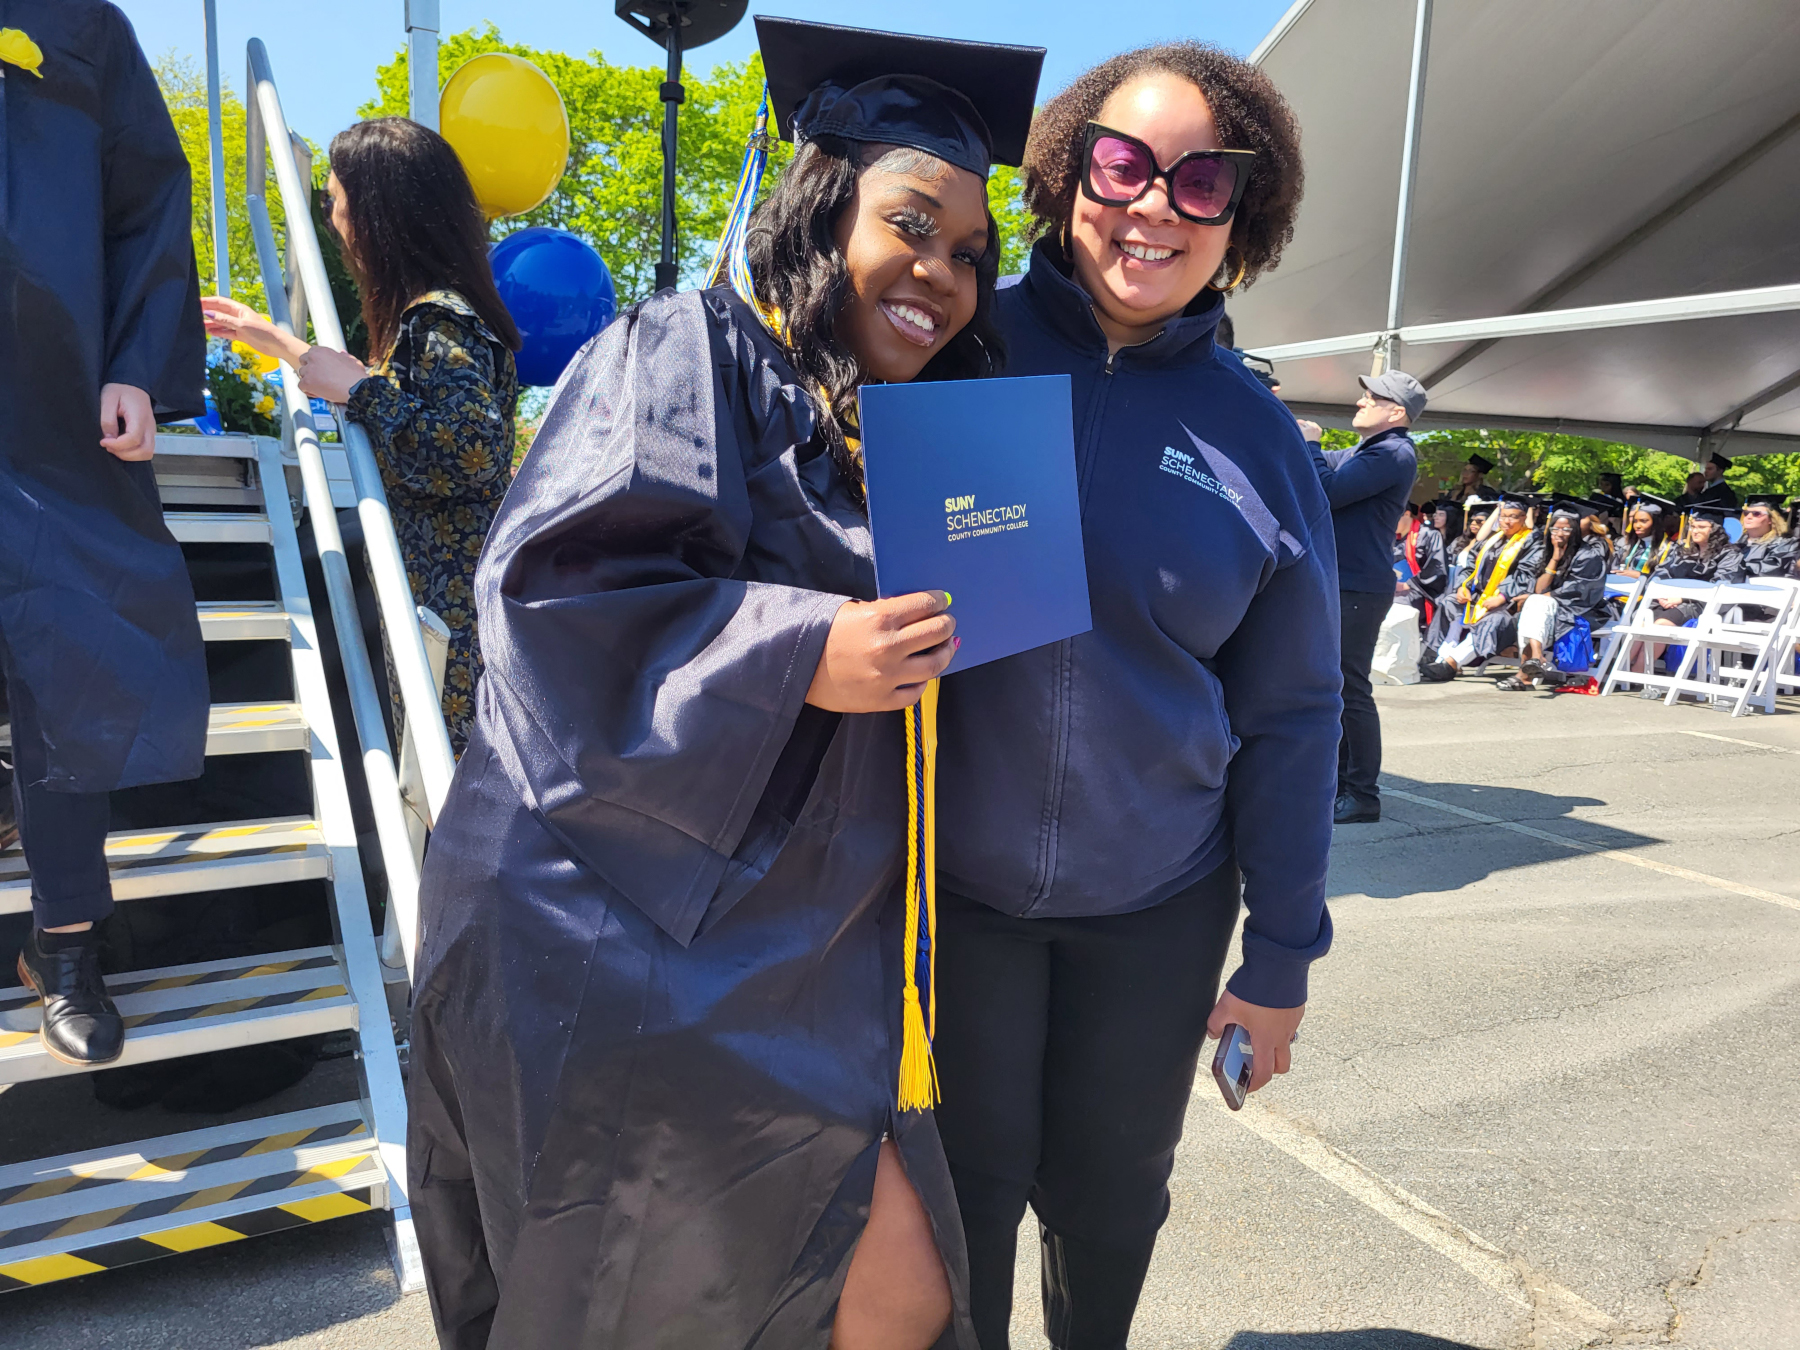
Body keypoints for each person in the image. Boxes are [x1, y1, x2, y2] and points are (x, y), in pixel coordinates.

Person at [401, 21, 1045, 1349]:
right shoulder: (689, 346)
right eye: (911, 225)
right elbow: (561, 594)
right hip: (619, 924)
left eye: (973, 254)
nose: (943, 273)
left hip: (803, 936)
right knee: (654, 1284)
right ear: (822, 208)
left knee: (885, 1284)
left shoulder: (908, 425)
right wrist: (808, 647)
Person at [927, 45, 1338, 1350]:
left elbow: (1294, 716)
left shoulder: (1260, 442)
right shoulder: (955, 350)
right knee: (963, 1200)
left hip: (1156, 907)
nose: (1153, 205)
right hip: (959, 895)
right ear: (1065, 175)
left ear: (1241, 217)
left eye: (1200, 181)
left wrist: (1277, 962)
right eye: (1123, 164)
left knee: (1110, 1203)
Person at [3, 0, 208, 1066]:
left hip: (57, 397)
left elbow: (146, 194)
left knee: (69, 664)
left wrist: (136, 364)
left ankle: (66, 944)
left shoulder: (81, 22)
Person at [201, 119, 521, 755]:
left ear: (377, 213)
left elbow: (469, 452)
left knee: (448, 774)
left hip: (451, 611)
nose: (331, 217)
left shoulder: (436, 318)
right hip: (454, 602)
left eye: (334, 200)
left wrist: (363, 391)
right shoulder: (445, 313)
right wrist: (271, 338)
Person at [1301, 370, 1422, 824]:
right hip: (1344, 581)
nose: (1360, 402)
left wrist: (1311, 445)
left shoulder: (1393, 452)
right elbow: (1321, 465)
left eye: (1372, 398)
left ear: (1396, 412)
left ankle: (1362, 794)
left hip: (1356, 584)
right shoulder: (1369, 451)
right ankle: (1339, 785)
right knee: (1335, 685)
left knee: (1349, 688)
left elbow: (1326, 490)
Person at [1420, 494, 1546, 681]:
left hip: (1510, 605)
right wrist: (1463, 587)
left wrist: (1502, 597)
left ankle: (1453, 662)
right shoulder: (1492, 539)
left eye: (1513, 517)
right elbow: (1470, 565)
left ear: (1523, 518)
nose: (1506, 521)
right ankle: (1440, 657)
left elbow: (1526, 574)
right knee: (1451, 602)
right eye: (1503, 516)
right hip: (1479, 596)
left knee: (1492, 620)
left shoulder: (1532, 541)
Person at [1504, 503, 1611, 690]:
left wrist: (1544, 598)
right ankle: (1534, 660)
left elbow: (1580, 589)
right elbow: (1539, 588)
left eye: (1566, 529)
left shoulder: (1588, 555)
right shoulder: (1546, 552)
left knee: (1535, 605)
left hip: (1583, 608)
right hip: (1549, 607)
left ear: (1576, 530)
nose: (1560, 533)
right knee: (1536, 605)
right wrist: (1555, 558)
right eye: (1556, 528)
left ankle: (1526, 673)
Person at [1629, 505, 1745, 672]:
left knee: (1661, 624)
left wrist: (1683, 598)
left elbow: (1723, 585)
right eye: (1693, 527)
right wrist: (1661, 594)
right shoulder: (1683, 551)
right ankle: (1623, 668)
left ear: (1716, 530)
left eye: (1702, 527)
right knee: (1642, 621)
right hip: (1670, 602)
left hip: (1703, 606)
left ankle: (1637, 672)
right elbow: (1661, 573)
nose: (1695, 531)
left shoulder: (1730, 554)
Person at [1395, 498, 1447, 630]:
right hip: (1393, 587)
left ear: (1406, 514)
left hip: (1418, 591)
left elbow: (1436, 569)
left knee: (1395, 606)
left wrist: (1408, 584)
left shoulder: (1430, 535)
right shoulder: (1390, 538)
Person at [1613, 494, 1675, 577]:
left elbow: (1667, 576)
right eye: (1635, 521)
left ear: (1655, 523)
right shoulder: (1628, 545)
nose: (1637, 525)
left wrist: (1641, 576)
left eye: (1643, 521)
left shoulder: (1670, 549)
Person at [1738, 495, 1796, 577]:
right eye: (1746, 513)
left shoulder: (1783, 544)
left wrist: (1735, 565)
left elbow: (1770, 569)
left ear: (1770, 519)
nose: (1749, 517)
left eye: (1756, 514)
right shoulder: (1735, 543)